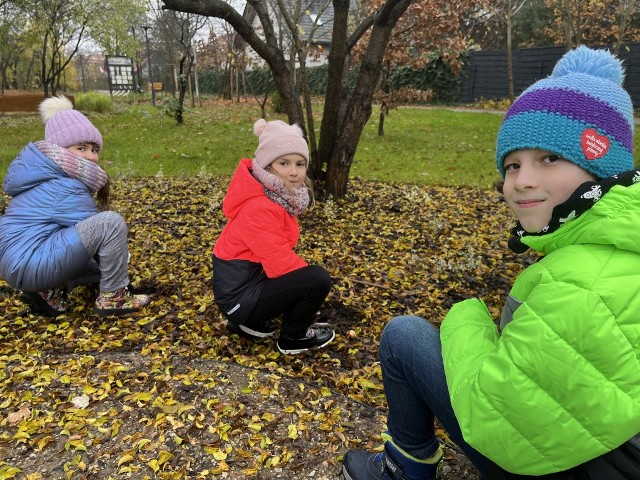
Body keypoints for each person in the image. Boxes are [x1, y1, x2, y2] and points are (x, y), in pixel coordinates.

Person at [342, 46, 640, 480]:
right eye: (513, 164)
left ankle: (404, 465)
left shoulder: (585, 281)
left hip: (557, 466)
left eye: (550, 158)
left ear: (604, 166)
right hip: (597, 454)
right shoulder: (615, 247)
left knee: (403, 335)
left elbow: (497, 423)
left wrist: (466, 319)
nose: (522, 182)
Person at [0, 95, 150, 318]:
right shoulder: (65, 184)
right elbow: (97, 236)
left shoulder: (45, 175)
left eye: (94, 149)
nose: (91, 156)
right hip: (30, 262)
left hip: (20, 260)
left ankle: (46, 292)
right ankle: (114, 298)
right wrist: (118, 270)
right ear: (59, 150)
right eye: (81, 148)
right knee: (111, 224)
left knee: (104, 262)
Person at [212, 119, 334, 355]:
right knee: (317, 279)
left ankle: (251, 323)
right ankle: (293, 337)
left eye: (300, 164)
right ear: (267, 166)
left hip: (247, 286)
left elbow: (274, 254)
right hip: (239, 298)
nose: (294, 171)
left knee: (308, 279)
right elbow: (279, 263)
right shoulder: (259, 206)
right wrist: (310, 300)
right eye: (284, 163)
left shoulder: (274, 197)